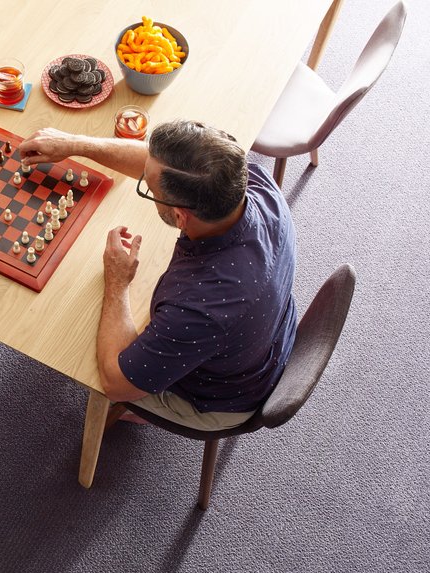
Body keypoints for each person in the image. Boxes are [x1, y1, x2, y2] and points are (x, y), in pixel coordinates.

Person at [18, 121, 297, 430]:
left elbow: (115, 381)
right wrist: (74, 144)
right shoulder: (254, 184)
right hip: (263, 335)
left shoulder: (199, 309)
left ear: (180, 216)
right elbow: (163, 168)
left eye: (148, 188)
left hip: (224, 396)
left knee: (81, 359)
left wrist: (117, 282)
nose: (145, 180)